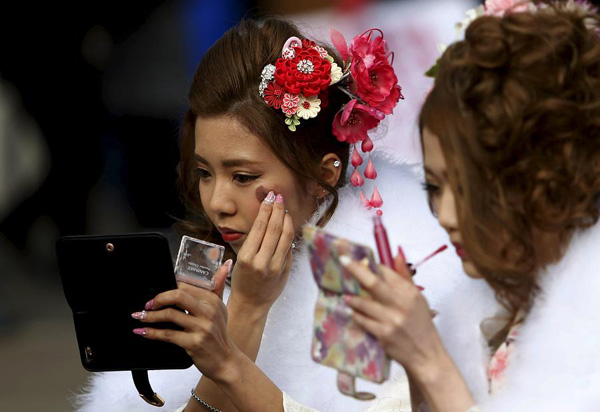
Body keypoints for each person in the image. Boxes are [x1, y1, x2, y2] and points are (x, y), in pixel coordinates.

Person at [75, 18, 458, 412]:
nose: (218, 202)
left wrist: (246, 312)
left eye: (243, 176)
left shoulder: (365, 278)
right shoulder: (208, 264)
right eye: (204, 173)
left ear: (324, 174)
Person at [342, 1, 600, 411]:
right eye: (435, 187)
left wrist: (431, 360)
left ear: (538, 177)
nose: (445, 216)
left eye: (466, 189)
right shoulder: (496, 310)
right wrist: (415, 356)